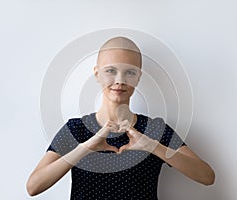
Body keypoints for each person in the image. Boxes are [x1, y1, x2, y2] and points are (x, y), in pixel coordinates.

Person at [26, 36, 215, 199]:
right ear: (97, 74)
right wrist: (85, 148)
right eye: (111, 70)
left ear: (138, 77)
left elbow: (206, 176)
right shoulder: (77, 129)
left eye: (130, 72)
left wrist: (152, 146)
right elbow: (33, 186)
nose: (120, 80)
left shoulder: (155, 129)